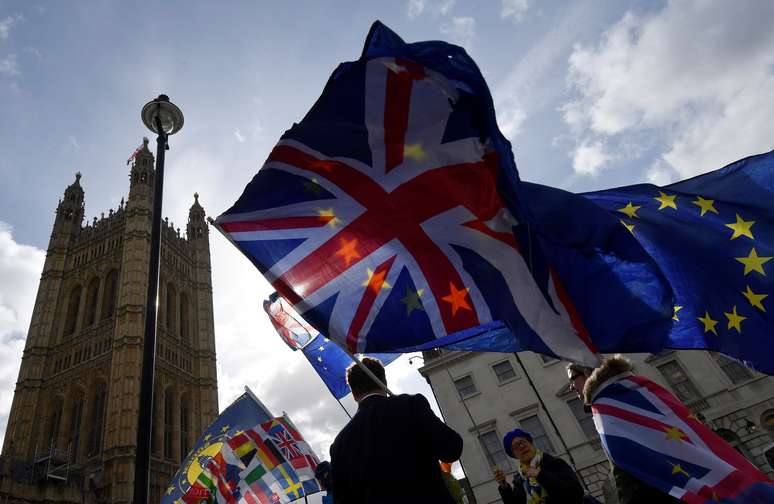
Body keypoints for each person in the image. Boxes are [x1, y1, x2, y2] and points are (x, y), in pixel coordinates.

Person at [329, 357, 463, 503]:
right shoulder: (411, 405)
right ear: (384, 382)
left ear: (354, 395)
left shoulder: (339, 445)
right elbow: (452, 448)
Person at [566, 359, 682, 504]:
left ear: (586, 373)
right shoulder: (613, 400)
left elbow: (627, 466)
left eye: (572, 379)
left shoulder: (612, 406)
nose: (570, 387)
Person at [494, 428, 584, 504]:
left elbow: (575, 494)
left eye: (523, 442)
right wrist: (504, 486)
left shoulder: (555, 463)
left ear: (531, 444)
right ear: (514, 455)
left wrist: (540, 475)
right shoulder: (520, 479)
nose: (522, 446)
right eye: (516, 446)